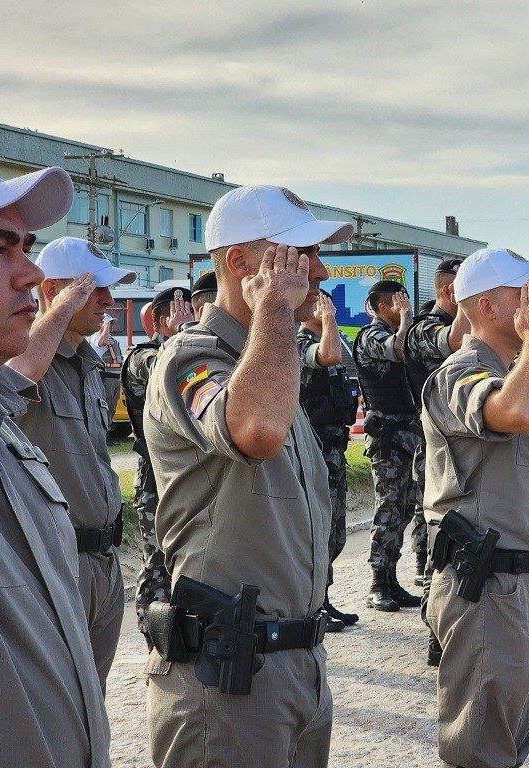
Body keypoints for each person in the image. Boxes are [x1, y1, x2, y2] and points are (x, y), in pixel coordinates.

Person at [142, 184, 352, 767]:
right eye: (299, 255)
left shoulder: (265, 358)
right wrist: (276, 309)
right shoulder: (193, 355)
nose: (319, 269)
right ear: (240, 263)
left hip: (294, 667)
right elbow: (255, 429)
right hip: (230, 681)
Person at [423, 247, 529, 768]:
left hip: (528, 586)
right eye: (525, 292)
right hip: (490, 590)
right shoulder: (459, 372)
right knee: (481, 750)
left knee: (507, 741)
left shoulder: (517, 368)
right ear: (487, 306)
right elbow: (517, 412)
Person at [0, 166, 111, 766]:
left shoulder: (5, 435)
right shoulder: (26, 373)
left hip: (97, 562)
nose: (28, 272)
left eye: (28, 250)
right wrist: (57, 311)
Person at [9, 235, 136, 692]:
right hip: (55, 562)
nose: (108, 300)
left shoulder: (86, 362)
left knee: (89, 703)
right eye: (93, 288)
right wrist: (58, 310)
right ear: (52, 291)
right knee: (55, 702)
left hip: (102, 561)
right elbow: (16, 375)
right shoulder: (25, 353)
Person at [121, 285, 194, 649]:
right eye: (187, 313)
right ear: (165, 319)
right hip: (154, 479)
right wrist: (184, 335)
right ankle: (154, 637)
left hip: (181, 474)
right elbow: (170, 374)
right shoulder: (142, 358)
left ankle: (180, 633)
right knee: (157, 563)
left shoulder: (178, 347)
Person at [353, 279, 422, 612]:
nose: (406, 306)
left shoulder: (401, 332)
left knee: (405, 509)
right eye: (400, 301)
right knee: (388, 509)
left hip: (408, 437)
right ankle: (377, 583)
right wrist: (407, 317)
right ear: (383, 307)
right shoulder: (370, 337)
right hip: (387, 440)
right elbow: (398, 348)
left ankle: (392, 581)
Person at [402, 258, 467, 587]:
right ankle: (433, 594)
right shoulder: (424, 327)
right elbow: (454, 341)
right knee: (438, 523)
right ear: (450, 291)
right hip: (435, 444)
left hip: (462, 441)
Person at [298, 289, 360, 630]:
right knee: (314, 534)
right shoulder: (298, 341)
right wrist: (329, 320)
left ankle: (324, 598)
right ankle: (310, 607)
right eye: (321, 303)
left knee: (334, 535)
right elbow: (329, 356)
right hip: (311, 452)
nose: (328, 308)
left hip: (334, 450)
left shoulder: (331, 338)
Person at [90, 313, 124, 430]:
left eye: (112, 323)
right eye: (110, 323)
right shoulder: (97, 337)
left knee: (112, 406)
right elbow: (102, 342)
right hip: (106, 377)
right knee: (105, 405)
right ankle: (102, 433)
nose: (112, 326)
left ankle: (107, 433)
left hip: (115, 377)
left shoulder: (112, 339)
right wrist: (105, 327)